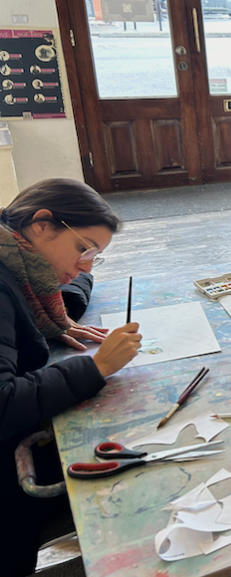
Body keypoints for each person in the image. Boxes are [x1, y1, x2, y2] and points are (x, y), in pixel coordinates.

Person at [0, 178, 142, 576]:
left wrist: (49, 323)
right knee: (137, 457)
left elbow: (56, 298)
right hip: (10, 475)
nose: (85, 264)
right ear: (42, 224)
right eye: (83, 248)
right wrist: (96, 367)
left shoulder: (19, 263)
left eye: (95, 256)